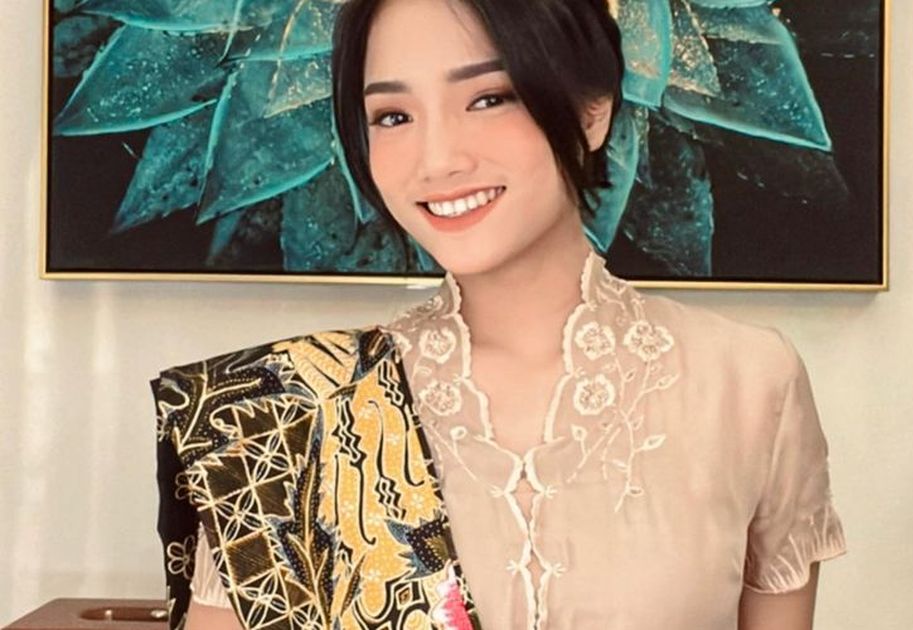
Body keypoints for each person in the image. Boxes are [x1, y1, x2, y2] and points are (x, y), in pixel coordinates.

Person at [150, 0, 847, 629]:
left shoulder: (748, 383)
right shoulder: (282, 416)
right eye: (393, 116)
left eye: (488, 98)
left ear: (591, 109)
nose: (437, 159)